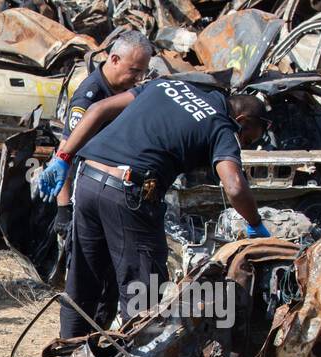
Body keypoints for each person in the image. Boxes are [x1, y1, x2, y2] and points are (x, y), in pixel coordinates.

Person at [39, 77, 271, 339]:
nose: (243, 145)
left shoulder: (168, 85)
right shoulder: (222, 126)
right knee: (143, 294)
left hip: (88, 179)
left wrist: (63, 158)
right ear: (240, 120)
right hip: (129, 193)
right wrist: (255, 224)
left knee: (82, 282)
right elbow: (235, 187)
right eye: (247, 139)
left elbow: (98, 109)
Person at [53, 32, 154, 245]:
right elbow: (65, 152)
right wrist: (63, 208)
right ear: (114, 59)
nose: (139, 79)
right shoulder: (88, 97)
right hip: (88, 189)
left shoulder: (124, 88)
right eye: (134, 71)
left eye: (143, 72)